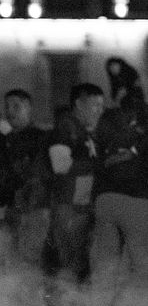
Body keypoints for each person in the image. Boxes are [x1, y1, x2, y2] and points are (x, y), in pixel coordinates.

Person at [89, 90, 148, 306]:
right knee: (141, 269)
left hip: (105, 199)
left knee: (105, 268)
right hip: (138, 201)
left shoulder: (106, 122)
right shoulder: (142, 125)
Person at [45, 82, 105, 285]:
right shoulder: (66, 126)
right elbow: (60, 165)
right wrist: (98, 165)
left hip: (80, 207)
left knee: (78, 263)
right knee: (69, 265)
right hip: (69, 208)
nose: (99, 110)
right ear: (79, 104)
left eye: (101, 105)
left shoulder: (85, 131)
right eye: (95, 104)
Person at [1, 88, 51, 266]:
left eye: (16, 106)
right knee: (13, 259)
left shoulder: (40, 138)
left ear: (29, 107)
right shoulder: (5, 139)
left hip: (34, 208)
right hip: (14, 208)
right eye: (7, 106)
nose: (10, 111)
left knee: (29, 259)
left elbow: (34, 172)